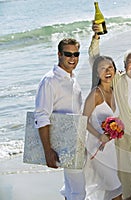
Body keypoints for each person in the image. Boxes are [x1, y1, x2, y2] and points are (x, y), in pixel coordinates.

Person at [88, 23, 131, 200]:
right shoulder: (116, 80)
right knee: (124, 192)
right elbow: (95, 60)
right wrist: (96, 37)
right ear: (124, 65)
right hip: (121, 144)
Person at [34, 38, 86, 200]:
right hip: (62, 144)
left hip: (77, 141)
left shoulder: (74, 78)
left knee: (71, 187)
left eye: (76, 54)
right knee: (78, 191)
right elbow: (41, 116)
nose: (72, 58)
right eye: (68, 54)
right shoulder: (50, 81)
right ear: (59, 54)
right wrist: (47, 151)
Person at [83, 55, 122, 200]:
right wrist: (99, 135)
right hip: (98, 150)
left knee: (111, 191)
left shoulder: (114, 91)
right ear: (97, 73)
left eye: (110, 67)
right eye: (102, 68)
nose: (107, 71)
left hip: (112, 151)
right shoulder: (96, 94)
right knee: (116, 190)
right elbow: (83, 120)